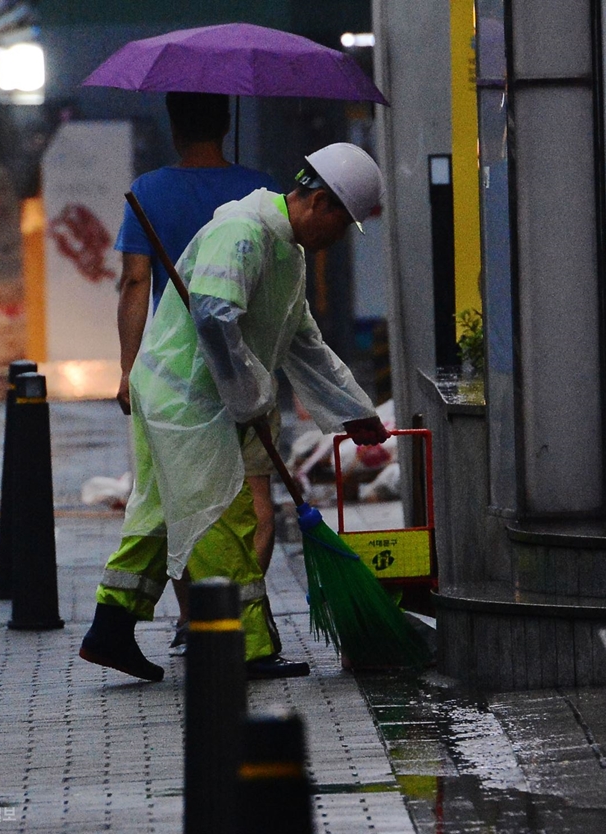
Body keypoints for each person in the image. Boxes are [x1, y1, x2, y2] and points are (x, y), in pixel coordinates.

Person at [80, 142, 390, 682]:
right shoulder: (242, 231)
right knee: (225, 515)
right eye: (342, 226)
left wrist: (354, 412)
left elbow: (302, 342)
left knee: (157, 516)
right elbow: (215, 316)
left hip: (190, 398)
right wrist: (246, 396)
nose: (338, 241)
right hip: (189, 401)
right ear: (320, 205)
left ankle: (110, 628)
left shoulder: (285, 252)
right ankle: (245, 648)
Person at [115, 92, 280, 650]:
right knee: (256, 498)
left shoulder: (148, 192)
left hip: (180, 374)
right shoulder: (260, 192)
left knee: (186, 499)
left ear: (174, 127)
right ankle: (236, 615)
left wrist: (126, 370)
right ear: (228, 121)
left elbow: (136, 283)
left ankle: (198, 618)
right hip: (248, 366)